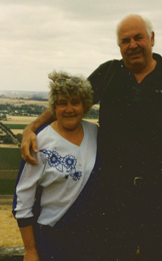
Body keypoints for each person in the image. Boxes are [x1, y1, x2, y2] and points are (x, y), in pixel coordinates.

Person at [21, 14, 162, 260]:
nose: (132, 45)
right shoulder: (108, 73)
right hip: (113, 196)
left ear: (151, 39)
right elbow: (69, 101)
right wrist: (31, 128)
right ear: (119, 46)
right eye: (125, 40)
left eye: (138, 37)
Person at [13, 71, 100, 261]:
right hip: (53, 239)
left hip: (89, 241)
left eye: (75, 102)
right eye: (62, 103)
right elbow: (22, 200)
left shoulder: (95, 133)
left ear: (85, 106)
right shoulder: (40, 143)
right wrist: (30, 250)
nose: (69, 109)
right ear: (54, 107)